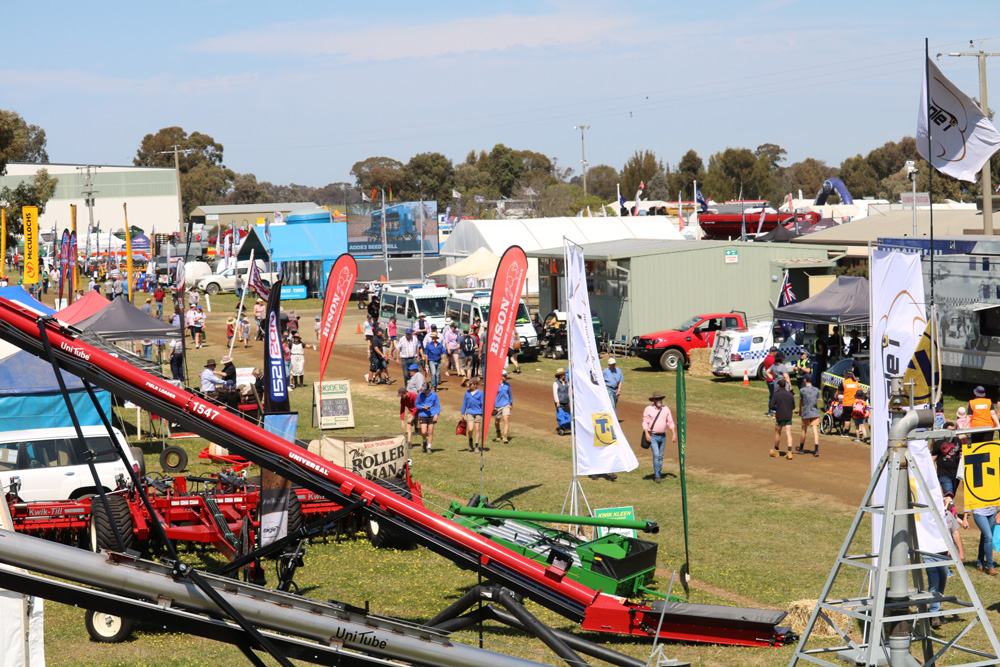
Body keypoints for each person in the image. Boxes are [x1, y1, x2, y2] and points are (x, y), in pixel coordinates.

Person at [642, 390, 677, 483]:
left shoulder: (666, 409)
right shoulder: (648, 409)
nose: (659, 401)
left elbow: (670, 422)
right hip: (653, 436)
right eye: (657, 399)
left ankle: (658, 473)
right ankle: (657, 475)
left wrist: (674, 433)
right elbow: (645, 422)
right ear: (653, 400)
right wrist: (646, 434)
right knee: (656, 455)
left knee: (660, 456)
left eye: (660, 399)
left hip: (663, 436)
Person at [932, 424, 963, 496]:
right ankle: (948, 506)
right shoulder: (938, 443)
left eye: (953, 430)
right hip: (943, 474)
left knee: (952, 495)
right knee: (948, 494)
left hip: (956, 474)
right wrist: (932, 473)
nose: (952, 432)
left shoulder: (957, 441)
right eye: (949, 430)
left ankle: (946, 507)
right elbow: (933, 458)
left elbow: (961, 454)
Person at [769, 378, 796, 460]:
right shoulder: (790, 395)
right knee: (789, 433)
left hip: (780, 415)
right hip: (788, 415)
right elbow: (793, 406)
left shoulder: (776, 394)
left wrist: (777, 408)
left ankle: (776, 450)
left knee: (778, 433)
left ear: (779, 385)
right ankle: (790, 452)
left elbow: (771, 405)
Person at [796, 375, 821, 457]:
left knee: (804, 430)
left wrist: (800, 410)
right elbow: (817, 399)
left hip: (806, 412)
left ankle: (801, 448)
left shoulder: (802, 390)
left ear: (805, 380)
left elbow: (801, 402)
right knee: (815, 431)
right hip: (815, 412)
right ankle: (816, 450)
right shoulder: (816, 390)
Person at [461, 377, 484, 452]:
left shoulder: (480, 393)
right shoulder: (467, 393)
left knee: (477, 429)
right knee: (470, 429)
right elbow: (464, 403)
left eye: (471, 384)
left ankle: (476, 446)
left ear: (475, 384)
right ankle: (470, 440)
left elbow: (483, 404)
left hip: (478, 413)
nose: (469, 385)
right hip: (470, 412)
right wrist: (462, 413)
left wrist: (483, 414)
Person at [414, 382, 439, 453]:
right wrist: (422, 407)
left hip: (432, 415)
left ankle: (429, 447)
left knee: (431, 431)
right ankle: (424, 441)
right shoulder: (420, 395)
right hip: (423, 415)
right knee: (423, 431)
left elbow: (438, 405)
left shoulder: (434, 395)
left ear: (428, 389)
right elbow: (416, 404)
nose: (423, 391)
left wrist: (436, 414)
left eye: (424, 389)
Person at [493, 370, 513, 444]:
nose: (506, 377)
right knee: (497, 421)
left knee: (506, 419)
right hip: (497, 405)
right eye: (504, 376)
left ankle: (505, 437)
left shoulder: (507, 385)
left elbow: (510, 394)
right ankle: (498, 433)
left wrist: (511, 404)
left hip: (506, 404)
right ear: (500, 376)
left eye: (506, 376)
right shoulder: (495, 384)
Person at [840, 370, 860, 438]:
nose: (844, 376)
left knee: (847, 418)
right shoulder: (856, 382)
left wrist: (836, 395)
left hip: (847, 403)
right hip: (855, 403)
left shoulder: (844, 382)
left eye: (844, 375)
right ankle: (859, 431)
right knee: (856, 418)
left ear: (847, 376)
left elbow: (839, 391)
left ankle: (846, 432)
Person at [553, 368, 570, 435]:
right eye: (563, 374)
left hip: (566, 401)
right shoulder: (556, 383)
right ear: (560, 375)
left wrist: (569, 399)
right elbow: (555, 393)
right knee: (560, 415)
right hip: (559, 402)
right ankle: (561, 427)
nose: (565, 375)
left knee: (568, 413)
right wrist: (557, 402)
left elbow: (568, 391)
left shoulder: (566, 382)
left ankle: (568, 426)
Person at [763, 346, 778, 416]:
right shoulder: (773, 359)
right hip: (773, 379)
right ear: (774, 352)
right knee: (774, 396)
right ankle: (772, 411)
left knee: (771, 396)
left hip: (768, 379)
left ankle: (770, 411)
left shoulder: (766, 358)